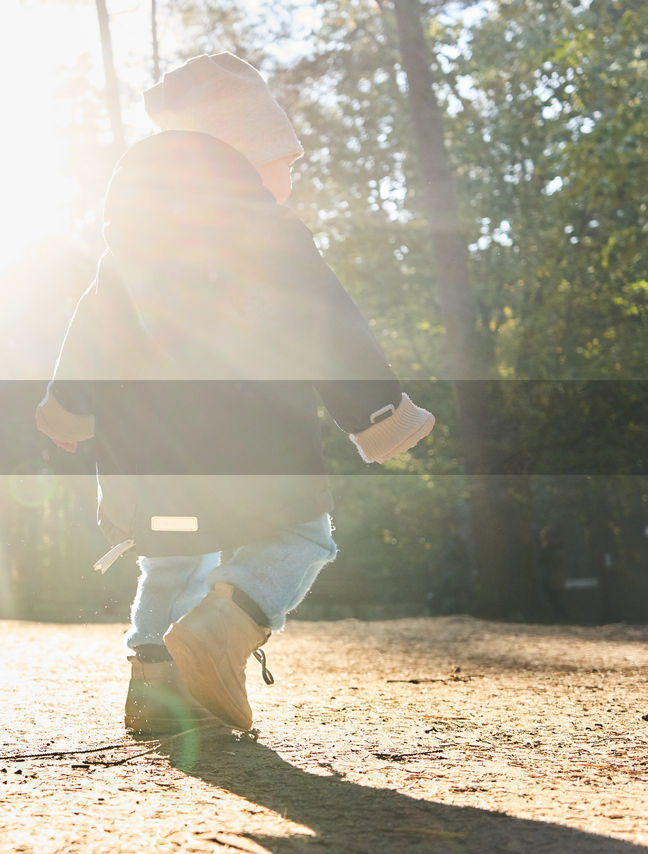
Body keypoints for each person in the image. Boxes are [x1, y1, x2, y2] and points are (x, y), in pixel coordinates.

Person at [35, 53, 435, 736]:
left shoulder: (126, 254)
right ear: (242, 159)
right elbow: (333, 330)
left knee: (175, 554)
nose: (291, 171)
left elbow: (90, 340)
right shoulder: (276, 239)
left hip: (149, 464)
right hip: (256, 450)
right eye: (283, 158)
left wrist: (70, 410)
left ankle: (158, 690)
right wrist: (379, 415)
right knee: (303, 537)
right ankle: (224, 630)